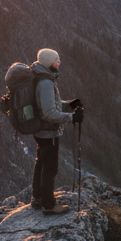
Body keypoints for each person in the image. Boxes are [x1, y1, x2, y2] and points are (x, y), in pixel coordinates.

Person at [30, 48, 80, 214]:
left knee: (41, 163)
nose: (59, 61)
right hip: (48, 131)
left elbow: (52, 104)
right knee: (50, 168)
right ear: (48, 63)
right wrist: (72, 118)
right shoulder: (46, 83)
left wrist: (71, 105)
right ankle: (49, 205)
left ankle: (37, 199)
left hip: (40, 130)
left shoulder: (42, 77)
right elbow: (49, 113)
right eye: (56, 59)